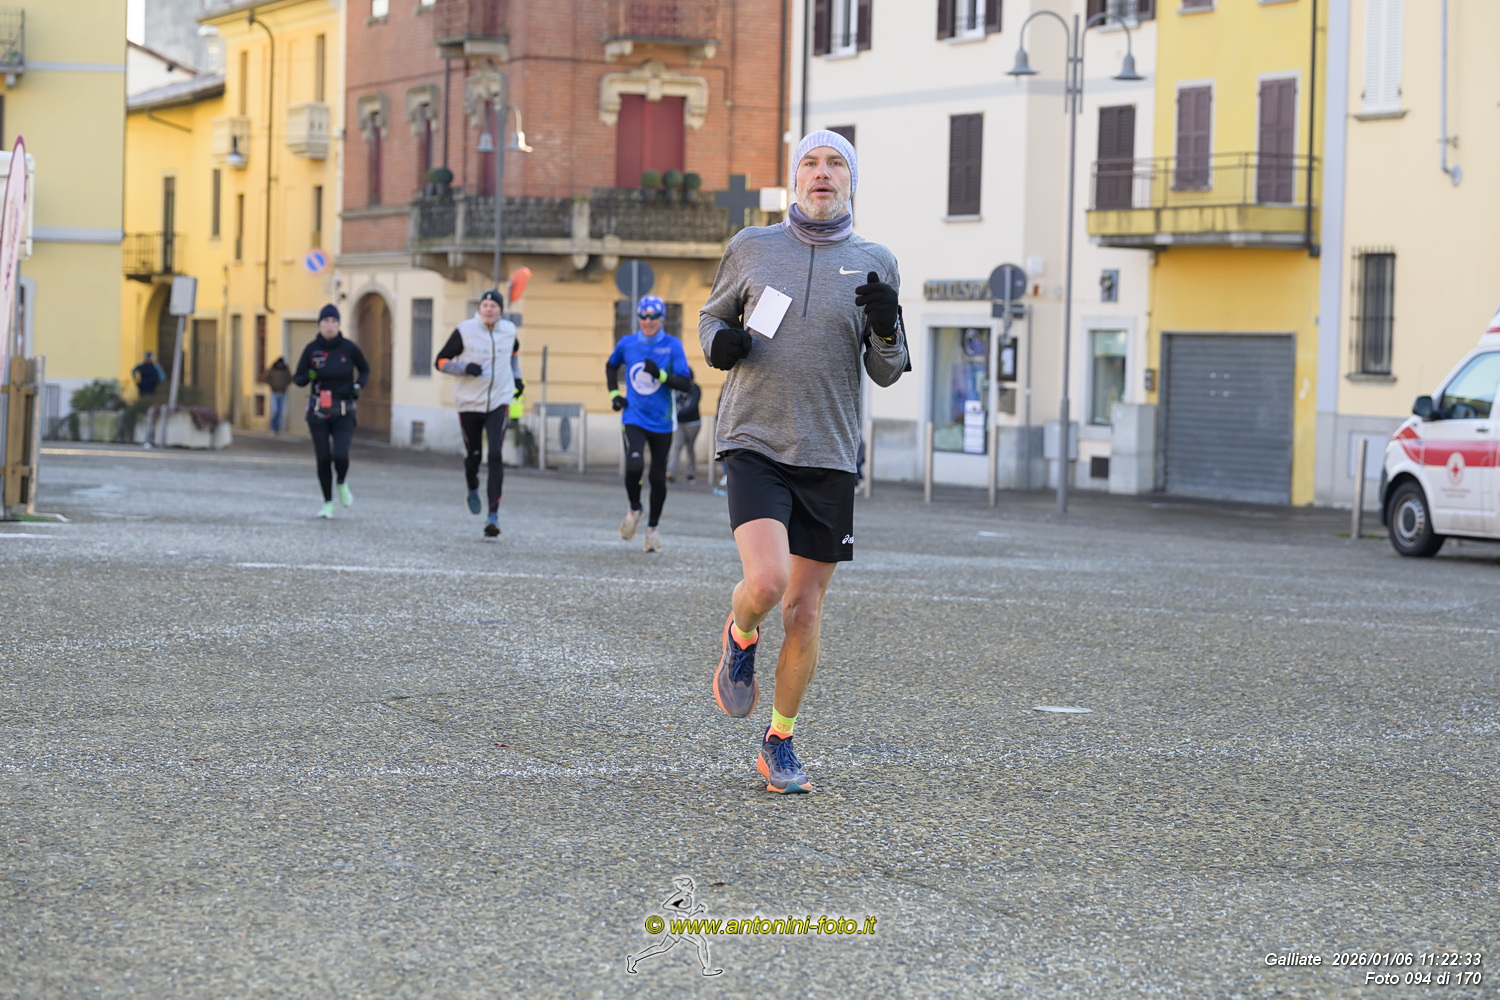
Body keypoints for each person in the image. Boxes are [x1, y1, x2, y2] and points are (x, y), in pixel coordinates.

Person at [699, 130, 909, 793]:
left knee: (805, 613)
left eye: (836, 163)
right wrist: (720, 343)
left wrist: (886, 327)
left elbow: (888, 369)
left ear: (851, 181)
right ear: (795, 179)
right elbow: (711, 317)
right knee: (766, 583)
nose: (823, 172)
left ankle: (779, 742)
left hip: (830, 453)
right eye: (811, 163)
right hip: (754, 439)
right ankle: (740, 633)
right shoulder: (752, 246)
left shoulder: (876, 261)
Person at [606, 294, 693, 552]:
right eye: (643, 316)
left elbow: (685, 383)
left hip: (662, 421)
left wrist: (661, 375)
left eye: (653, 316)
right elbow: (611, 366)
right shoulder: (627, 343)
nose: (647, 321)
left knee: (657, 477)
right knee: (634, 466)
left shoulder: (673, 345)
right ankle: (635, 509)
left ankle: (652, 530)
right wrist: (615, 395)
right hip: (633, 416)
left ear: (661, 318)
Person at [435, 289, 523, 538]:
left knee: (495, 453)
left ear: (500, 310)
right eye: (485, 305)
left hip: (499, 400)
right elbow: (440, 361)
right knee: (474, 455)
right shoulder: (465, 330)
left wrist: (517, 379)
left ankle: (493, 515)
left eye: (493, 306)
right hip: (469, 403)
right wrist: (464, 368)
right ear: (480, 308)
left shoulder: (509, 331)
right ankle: (472, 485)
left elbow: (513, 354)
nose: (488, 309)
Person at [292, 304, 370, 519]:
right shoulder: (312, 349)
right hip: (318, 412)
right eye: (326, 321)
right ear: (320, 324)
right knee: (324, 457)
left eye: (334, 321)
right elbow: (298, 378)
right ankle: (327, 502)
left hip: (343, 411)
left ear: (339, 324)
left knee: (340, 455)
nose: (330, 325)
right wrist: (311, 375)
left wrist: (358, 386)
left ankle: (342, 482)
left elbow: (365, 369)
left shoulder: (349, 348)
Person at [666, 379, 702, 484]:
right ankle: (671, 473)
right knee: (676, 446)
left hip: (692, 423)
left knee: (690, 447)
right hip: (679, 422)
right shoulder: (674, 387)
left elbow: (693, 404)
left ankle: (690, 474)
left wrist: (678, 414)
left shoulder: (695, 388)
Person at [263, 357, 293, 434]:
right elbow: (266, 377)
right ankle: (273, 427)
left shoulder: (285, 370)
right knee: (275, 411)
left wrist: (285, 384)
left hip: (282, 392)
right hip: (274, 392)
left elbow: (289, 379)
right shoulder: (272, 369)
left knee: (280, 412)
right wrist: (272, 384)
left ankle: (277, 428)